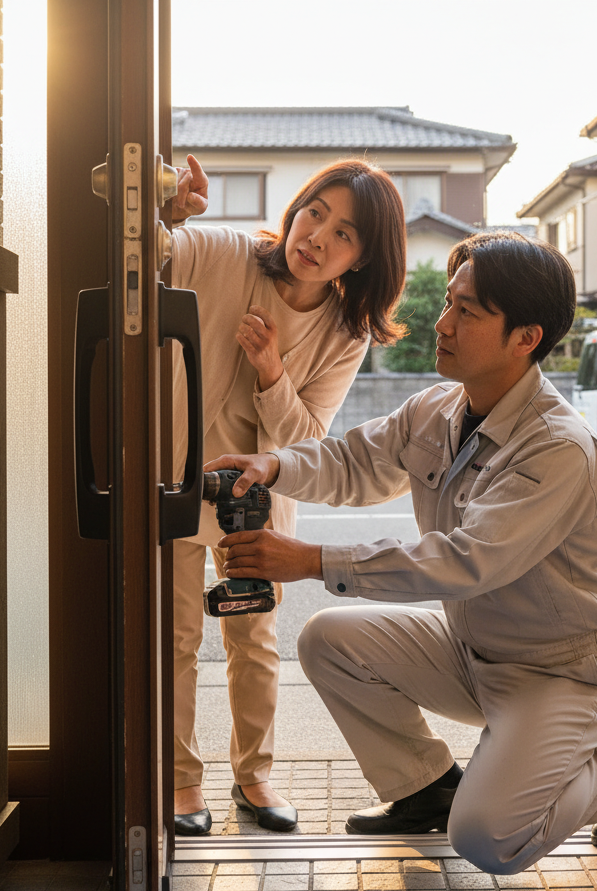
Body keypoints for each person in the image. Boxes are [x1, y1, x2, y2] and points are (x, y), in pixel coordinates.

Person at [204, 231, 597, 873]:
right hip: (471, 650)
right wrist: (272, 464)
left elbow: (463, 562)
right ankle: (424, 788)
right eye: (449, 302)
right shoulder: (438, 409)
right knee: (328, 639)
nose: (442, 323)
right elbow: (352, 461)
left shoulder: (558, 449)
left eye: (467, 312)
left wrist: (308, 560)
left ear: (525, 337)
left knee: (489, 840)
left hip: (556, 674)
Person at [166, 156, 406, 836]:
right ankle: (182, 781)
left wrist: (271, 370)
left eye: (345, 234)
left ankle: (255, 775)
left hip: (255, 501)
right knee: (177, 640)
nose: (318, 237)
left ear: (362, 259)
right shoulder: (225, 252)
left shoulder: (343, 333)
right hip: (179, 479)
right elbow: (153, 255)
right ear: (295, 210)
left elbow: (307, 445)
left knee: (253, 638)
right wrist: (168, 214)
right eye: (315, 213)